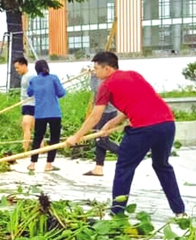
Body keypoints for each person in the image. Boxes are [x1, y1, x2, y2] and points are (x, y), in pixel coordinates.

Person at [66, 52, 186, 217]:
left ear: (107, 68)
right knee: (162, 165)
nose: (94, 72)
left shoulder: (106, 85)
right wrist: (111, 123)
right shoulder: (133, 75)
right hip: (167, 124)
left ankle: (117, 212)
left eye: (96, 68)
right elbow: (136, 101)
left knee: (124, 167)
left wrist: (76, 136)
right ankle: (180, 211)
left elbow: (95, 116)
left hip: (143, 129)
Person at [26, 60, 66, 172]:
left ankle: (32, 164)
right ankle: (49, 164)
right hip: (54, 113)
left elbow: (29, 93)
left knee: (37, 138)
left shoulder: (33, 80)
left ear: (36, 69)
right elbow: (61, 93)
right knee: (54, 138)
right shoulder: (54, 78)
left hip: (40, 114)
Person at [84, 68, 119, 176]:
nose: (95, 70)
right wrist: (93, 75)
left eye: (96, 68)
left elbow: (96, 89)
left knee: (101, 140)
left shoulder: (105, 81)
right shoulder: (104, 78)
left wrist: (93, 76)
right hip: (107, 112)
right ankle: (98, 168)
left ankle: (125, 153)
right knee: (99, 139)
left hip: (106, 113)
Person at [14, 57, 36, 152]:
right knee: (35, 127)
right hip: (26, 104)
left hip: (30, 104)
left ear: (24, 65)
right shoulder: (25, 76)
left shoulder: (31, 76)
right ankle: (41, 148)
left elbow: (36, 88)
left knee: (25, 125)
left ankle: (24, 149)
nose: (16, 70)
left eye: (18, 67)